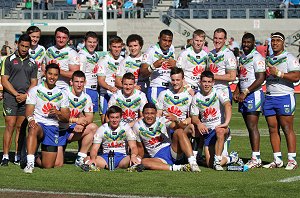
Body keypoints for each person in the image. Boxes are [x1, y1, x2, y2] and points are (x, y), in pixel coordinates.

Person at [262, 32, 300, 170]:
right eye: (273, 41)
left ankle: (292, 160)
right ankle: (277, 159)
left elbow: (296, 76)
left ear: (283, 42)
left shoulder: (289, 57)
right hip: (270, 96)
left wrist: (279, 73)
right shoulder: (269, 58)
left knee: (287, 128)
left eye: (278, 41)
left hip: (284, 96)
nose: (275, 43)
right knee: (272, 129)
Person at [24, 63, 69, 173]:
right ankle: (29, 163)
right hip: (38, 124)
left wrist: (58, 113)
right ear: (45, 74)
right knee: (33, 128)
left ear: (58, 76)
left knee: (48, 165)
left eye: (55, 75)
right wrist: (31, 120)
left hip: (52, 127)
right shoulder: (35, 90)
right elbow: (28, 111)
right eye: (50, 74)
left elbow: (66, 118)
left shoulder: (62, 93)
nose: (52, 77)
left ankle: (35, 157)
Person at [1, 34, 38, 166]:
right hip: (11, 97)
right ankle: (5, 156)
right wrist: (16, 94)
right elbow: (4, 80)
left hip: (25, 99)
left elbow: (34, 82)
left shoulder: (33, 63)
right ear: (17, 44)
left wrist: (26, 95)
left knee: (21, 127)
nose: (24, 48)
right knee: (10, 125)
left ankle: (17, 155)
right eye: (22, 45)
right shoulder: (8, 60)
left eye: (27, 47)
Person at [190, 71, 239, 171]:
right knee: (209, 164)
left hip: (220, 130)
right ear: (200, 82)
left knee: (219, 131)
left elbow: (227, 105)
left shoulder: (218, 92)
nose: (207, 84)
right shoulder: (196, 97)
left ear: (213, 83)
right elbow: (194, 116)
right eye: (204, 81)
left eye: (209, 81)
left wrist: (226, 124)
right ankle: (232, 157)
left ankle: (217, 161)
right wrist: (199, 123)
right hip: (208, 133)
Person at [133, 103, 200, 172]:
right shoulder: (137, 126)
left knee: (179, 131)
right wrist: (137, 159)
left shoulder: (162, 120)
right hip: (158, 158)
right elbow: (140, 147)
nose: (149, 116)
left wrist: (177, 120)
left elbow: (180, 128)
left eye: (152, 113)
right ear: (143, 114)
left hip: (171, 150)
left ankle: (193, 163)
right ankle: (180, 168)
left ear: (156, 113)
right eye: (147, 113)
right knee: (144, 162)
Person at [233, 33, 266, 168]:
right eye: (244, 42)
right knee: (249, 127)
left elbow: (261, 78)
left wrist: (245, 92)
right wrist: (236, 91)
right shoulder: (242, 57)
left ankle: (256, 157)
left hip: (253, 94)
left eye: (248, 42)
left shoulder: (257, 57)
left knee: (253, 127)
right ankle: (255, 156)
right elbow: (241, 77)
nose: (246, 45)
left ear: (253, 43)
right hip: (244, 94)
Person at [56, 71, 98, 167]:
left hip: (72, 130)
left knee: (93, 127)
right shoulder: (63, 94)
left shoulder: (86, 97)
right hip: (59, 130)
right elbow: (58, 116)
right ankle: (35, 156)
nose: (79, 85)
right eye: (76, 82)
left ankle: (80, 158)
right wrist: (75, 120)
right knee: (57, 164)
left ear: (85, 83)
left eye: (81, 82)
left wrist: (81, 124)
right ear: (71, 82)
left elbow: (90, 117)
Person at [207, 28, 237, 156]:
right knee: (211, 120)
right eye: (215, 38)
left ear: (225, 40)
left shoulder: (229, 54)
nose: (217, 41)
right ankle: (214, 150)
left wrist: (213, 77)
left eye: (220, 38)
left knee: (223, 123)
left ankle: (225, 152)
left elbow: (231, 76)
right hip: (210, 92)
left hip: (223, 91)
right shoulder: (210, 53)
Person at [140, 29, 176, 105]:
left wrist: (175, 65)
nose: (167, 43)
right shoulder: (151, 51)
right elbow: (143, 73)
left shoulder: (172, 49)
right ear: (159, 38)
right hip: (156, 88)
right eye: (164, 40)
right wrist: (153, 66)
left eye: (169, 41)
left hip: (170, 88)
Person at [156, 67, 192, 131]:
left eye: (178, 80)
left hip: (181, 126)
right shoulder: (163, 94)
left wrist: (178, 121)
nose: (175, 83)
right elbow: (158, 114)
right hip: (166, 126)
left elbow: (190, 118)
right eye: (173, 80)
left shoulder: (188, 97)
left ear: (183, 80)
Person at [97, 36, 124, 123]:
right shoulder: (104, 60)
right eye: (114, 47)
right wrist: (110, 88)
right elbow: (100, 80)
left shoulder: (123, 60)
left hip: (119, 94)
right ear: (109, 47)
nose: (117, 49)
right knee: (105, 122)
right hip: (106, 94)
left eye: (119, 47)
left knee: (119, 121)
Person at [177, 29, 208, 93]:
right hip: (187, 89)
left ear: (204, 42)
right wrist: (188, 89)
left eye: (201, 41)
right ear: (192, 40)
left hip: (200, 90)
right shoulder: (184, 53)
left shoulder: (206, 55)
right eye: (196, 40)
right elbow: (178, 74)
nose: (198, 43)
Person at [79, 31, 100, 113]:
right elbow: (80, 74)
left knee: (92, 116)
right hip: (86, 89)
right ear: (85, 42)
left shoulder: (96, 55)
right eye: (89, 42)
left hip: (94, 89)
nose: (92, 44)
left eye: (94, 42)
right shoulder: (82, 55)